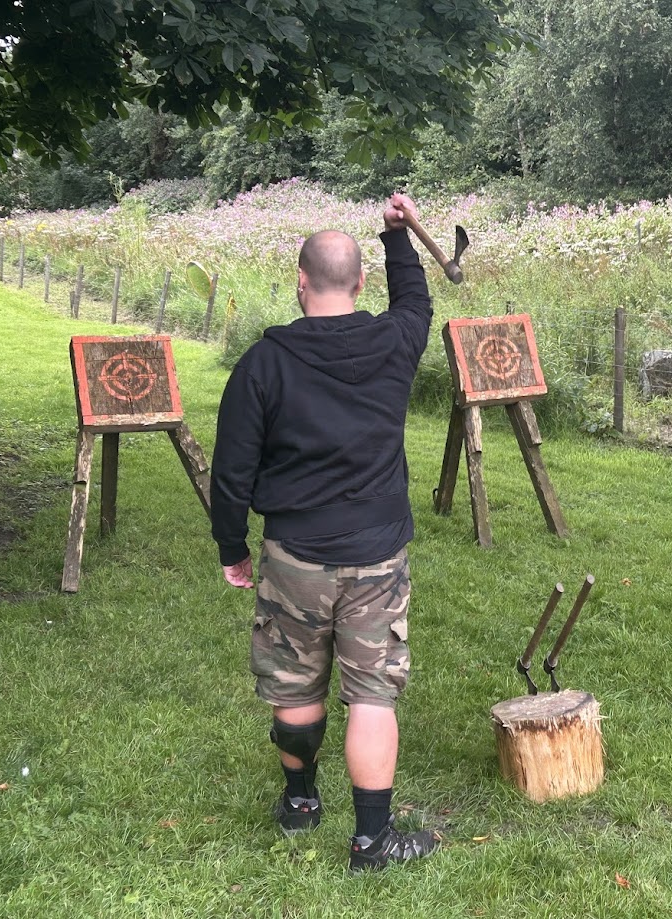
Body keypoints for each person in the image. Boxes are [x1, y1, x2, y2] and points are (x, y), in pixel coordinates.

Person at [210, 194, 440, 872]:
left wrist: (233, 546)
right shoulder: (395, 342)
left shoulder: (262, 362)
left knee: (295, 681)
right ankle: (371, 840)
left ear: (300, 281)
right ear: (360, 281)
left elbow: (231, 469)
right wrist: (398, 235)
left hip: (294, 557)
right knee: (372, 693)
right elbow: (416, 303)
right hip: (376, 555)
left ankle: (301, 802)